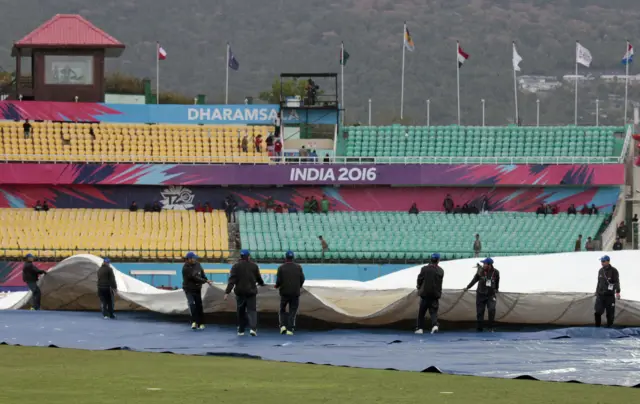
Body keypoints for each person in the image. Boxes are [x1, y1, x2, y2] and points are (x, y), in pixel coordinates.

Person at [224, 250, 264, 336]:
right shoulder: (254, 266)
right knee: (252, 311)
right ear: (248, 256)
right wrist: (262, 284)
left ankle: (241, 330)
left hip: (240, 292)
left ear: (241, 257)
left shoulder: (235, 266)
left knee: (240, 311)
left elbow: (232, 280)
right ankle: (253, 328)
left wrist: (227, 292)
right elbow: (258, 278)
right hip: (251, 292)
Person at [464, 257, 500, 332]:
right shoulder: (480, 271)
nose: (483, 265)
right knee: (480, 312)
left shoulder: (496, 272)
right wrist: (468, 287)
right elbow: (474, 280)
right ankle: (479, 328)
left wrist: (496, 289)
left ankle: (491, 327)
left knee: (491, 309)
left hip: (491, 295)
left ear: (489, 265)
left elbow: (497, 281)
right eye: (483, 263)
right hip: (480, 294)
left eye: (484, 263)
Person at [275, 250, 305, 335]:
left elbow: (278, 281)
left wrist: (277, 286)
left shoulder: (281, 267)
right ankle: (290, 329)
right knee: (292, 311)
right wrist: (298, 286)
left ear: (286, 257)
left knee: (282, 309)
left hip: (284, 292)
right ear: (293, 258)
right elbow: (302, 279)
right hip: (295, 292)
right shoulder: (298, 267)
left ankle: (282, 326)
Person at [415, 253, 444, 335]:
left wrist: (419, 286)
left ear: (430, 259)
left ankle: (420, 328)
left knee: (421, 313)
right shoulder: (441, 270)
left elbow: (419, 279)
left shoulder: (424, 269)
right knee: (433, 312)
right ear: (438, 260)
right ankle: (435, 325)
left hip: (425, 294)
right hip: (435, 295)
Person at [182, 252, 211, 330]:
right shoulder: (185, 268)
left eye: (195, 258)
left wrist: (206, 279)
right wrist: (205, 281)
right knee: (192, 304)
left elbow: (202, 274)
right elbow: (194, 277)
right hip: (189, 289)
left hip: (197, 288)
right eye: (193, 258)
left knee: (199, 305)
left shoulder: (198, 264)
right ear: (189, 259)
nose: (195, 259)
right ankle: (194, 321)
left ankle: (201, 323)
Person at [594, 255, 621, 328]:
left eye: (603, 261)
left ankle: (609, 328)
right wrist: (596, 291)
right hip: (600, 295)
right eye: (601, 261)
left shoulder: (614, 271)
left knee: (610, 313)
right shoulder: (600, 270)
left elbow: (617, 282)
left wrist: (617, 292)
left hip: (609, 296)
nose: (602, 263)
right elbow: (599, 282)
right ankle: (597, 327)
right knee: (597, 311)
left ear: (608, 261)